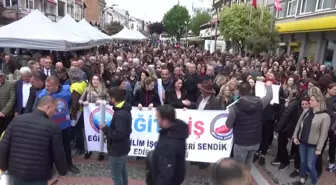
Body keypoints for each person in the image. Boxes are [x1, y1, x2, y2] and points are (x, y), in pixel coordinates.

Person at [0, 96, 68, 185]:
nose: (55, 113)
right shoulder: (53, 127)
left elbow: (4, 146)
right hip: (38, 175)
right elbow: (58, 153)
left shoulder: (17, 120)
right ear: (48, 107)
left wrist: (3, 166)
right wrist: (63, 171)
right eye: (55, 110)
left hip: (15, 172)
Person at [34, 75, 80, 174]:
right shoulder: (41, 95)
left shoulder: (67, 92)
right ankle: (50, 167)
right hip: (48, 127)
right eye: (46, 85)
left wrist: (73, 113)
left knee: (66, 146)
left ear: (56, 86)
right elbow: (35, 109)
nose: (46, 88)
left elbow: (73, 102)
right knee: (49, 147)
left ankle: (69, 164)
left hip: (64, 126)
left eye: (49, 86)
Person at [226, 81, 273, 169]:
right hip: (255, 141)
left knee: (239, 167)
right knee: (249, 162)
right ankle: (247, 179)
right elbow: (269, 96)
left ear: (239, 92)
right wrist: (268, 86)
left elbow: (228, 125)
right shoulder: (259, 102)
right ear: (251, 90)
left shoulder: (234, 108)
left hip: (241, 142)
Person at [292, 91, 330, 185]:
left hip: (313, 145)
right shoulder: (306, 111)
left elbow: (323, 134)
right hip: (302, 142)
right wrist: (295, 136)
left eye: (312, 100)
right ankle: (302, 179)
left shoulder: (325, 116)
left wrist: (319, 149)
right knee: (303, 162)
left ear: (318, 102)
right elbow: (298, 125)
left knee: (310, 164)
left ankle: (314, 181)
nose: (309, 102)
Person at [147, 104, 188, 185]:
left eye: (158, 118)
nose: (156, 120)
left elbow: (166, 173)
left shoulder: (168, 142)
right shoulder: (175, 132)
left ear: (165, 121)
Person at [100, 87, 132, 185]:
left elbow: (119, 134)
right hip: (122, 147)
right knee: (122, 171)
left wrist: (105, 129)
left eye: (109, 97)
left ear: (114, 99)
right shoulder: (123, 110)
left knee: (116, 176)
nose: (108, 99)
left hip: (117, 149)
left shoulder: (120, 114)